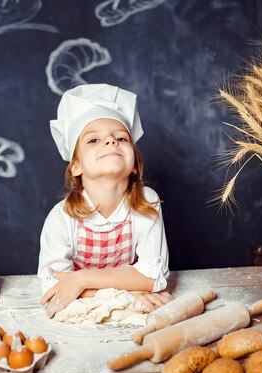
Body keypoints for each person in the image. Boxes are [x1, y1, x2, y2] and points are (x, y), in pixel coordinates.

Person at [38, 83, 172, 318]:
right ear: (76, 166)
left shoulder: (146, 201)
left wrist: (82, 280)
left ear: (134, 164)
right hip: (81, 319)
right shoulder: (61, 218)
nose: (111, 141)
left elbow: (154, 276)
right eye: (93, 140)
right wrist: (128, 293)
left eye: (121, 138)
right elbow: (54, 287)